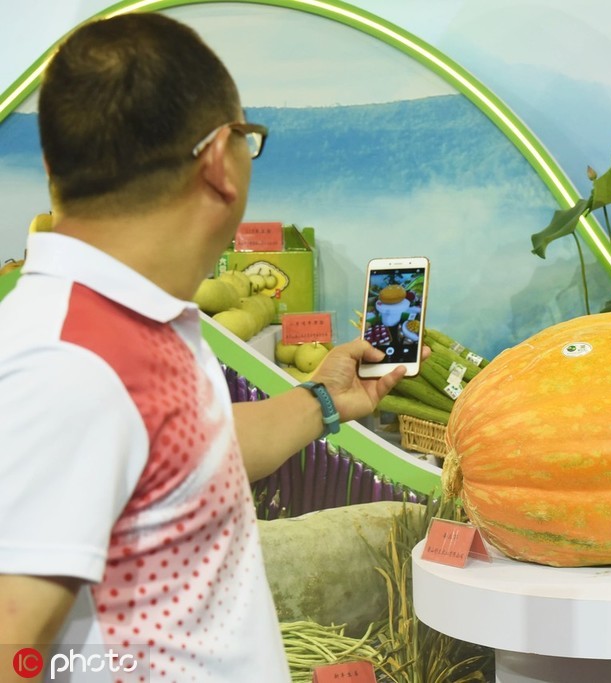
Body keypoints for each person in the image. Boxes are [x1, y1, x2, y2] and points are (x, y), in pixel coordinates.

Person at [0, 12, 415, 682]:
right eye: (249, 140)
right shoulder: (68, 363)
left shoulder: (133, 321)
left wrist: (324, 400)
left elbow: (182, 450)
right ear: (222, 161)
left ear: (54, 166)